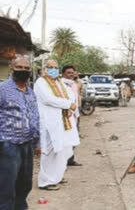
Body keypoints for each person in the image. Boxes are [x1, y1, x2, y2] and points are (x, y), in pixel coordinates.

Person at [0, 55, 40, 210]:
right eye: (19, 68)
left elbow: (35, 117)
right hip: (8, 145)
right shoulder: (3, 90)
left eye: (26, 68)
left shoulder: (30, 92)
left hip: (27, 145)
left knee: (24, 185)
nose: (23, 71)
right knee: (6, 187)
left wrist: (38, 142)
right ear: (12, 69)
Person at [34, 60, 80, 190]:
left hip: (63, 121)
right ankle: (45, 181)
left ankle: (56, 176)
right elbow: (48, 99)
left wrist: (70, 104)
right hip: (49, 123)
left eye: (55, 67)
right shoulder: (41, 82)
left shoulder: (59, 82)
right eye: (50, 67)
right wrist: (67, 104)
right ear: (44, 69)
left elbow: (70, 94)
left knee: (63, 151)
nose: (53, 70)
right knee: (49, 151)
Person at [61, 65, 82, 166]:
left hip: (75, 113)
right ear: (63, 74)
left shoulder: (74, 84)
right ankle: (63, 161)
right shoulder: (60, 84)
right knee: (66, 138)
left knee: (74, 137)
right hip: (66, 115)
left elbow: (76, 99)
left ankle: (70, 159)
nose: (71, 74)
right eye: (68, 73)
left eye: (72, 72)